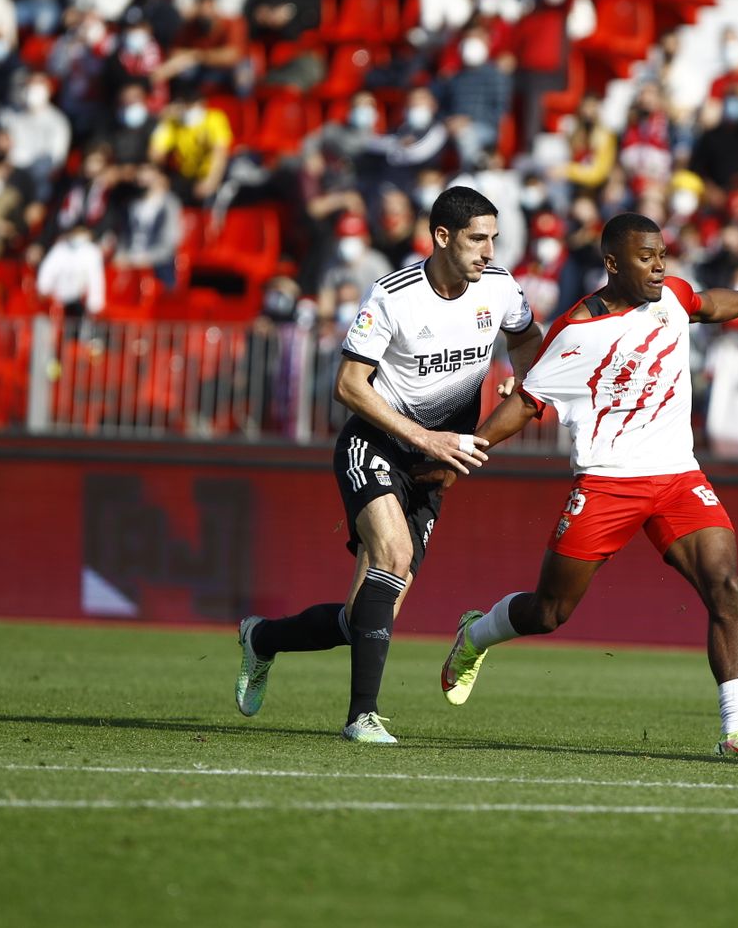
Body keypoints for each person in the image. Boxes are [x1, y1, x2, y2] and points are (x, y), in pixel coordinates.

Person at [438, 212, 738, 760]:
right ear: (612, 264)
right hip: (607, 482)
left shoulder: (670, 296)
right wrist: (471, 448)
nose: (659, 267)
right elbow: (527, 403)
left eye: (661, 255)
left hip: (678, 475)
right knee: (549, 612)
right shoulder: (575, 332)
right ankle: (477, 634)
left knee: (725, 585)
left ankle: (737, 731)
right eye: (645, 257)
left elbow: (709, 304)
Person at [233, 187, 543, 744]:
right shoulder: (393, 295)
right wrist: (425, 434)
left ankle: (263, 640)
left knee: (363, 620)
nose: (490, 251)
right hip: (373, 445)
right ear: (442, 237)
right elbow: (348, 386)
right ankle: (362, 718)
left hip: (432, 463)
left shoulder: (499, 289)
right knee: (393, 555)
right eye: (478, 239)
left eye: (494, 238)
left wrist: (527, 380)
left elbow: (526, 342)